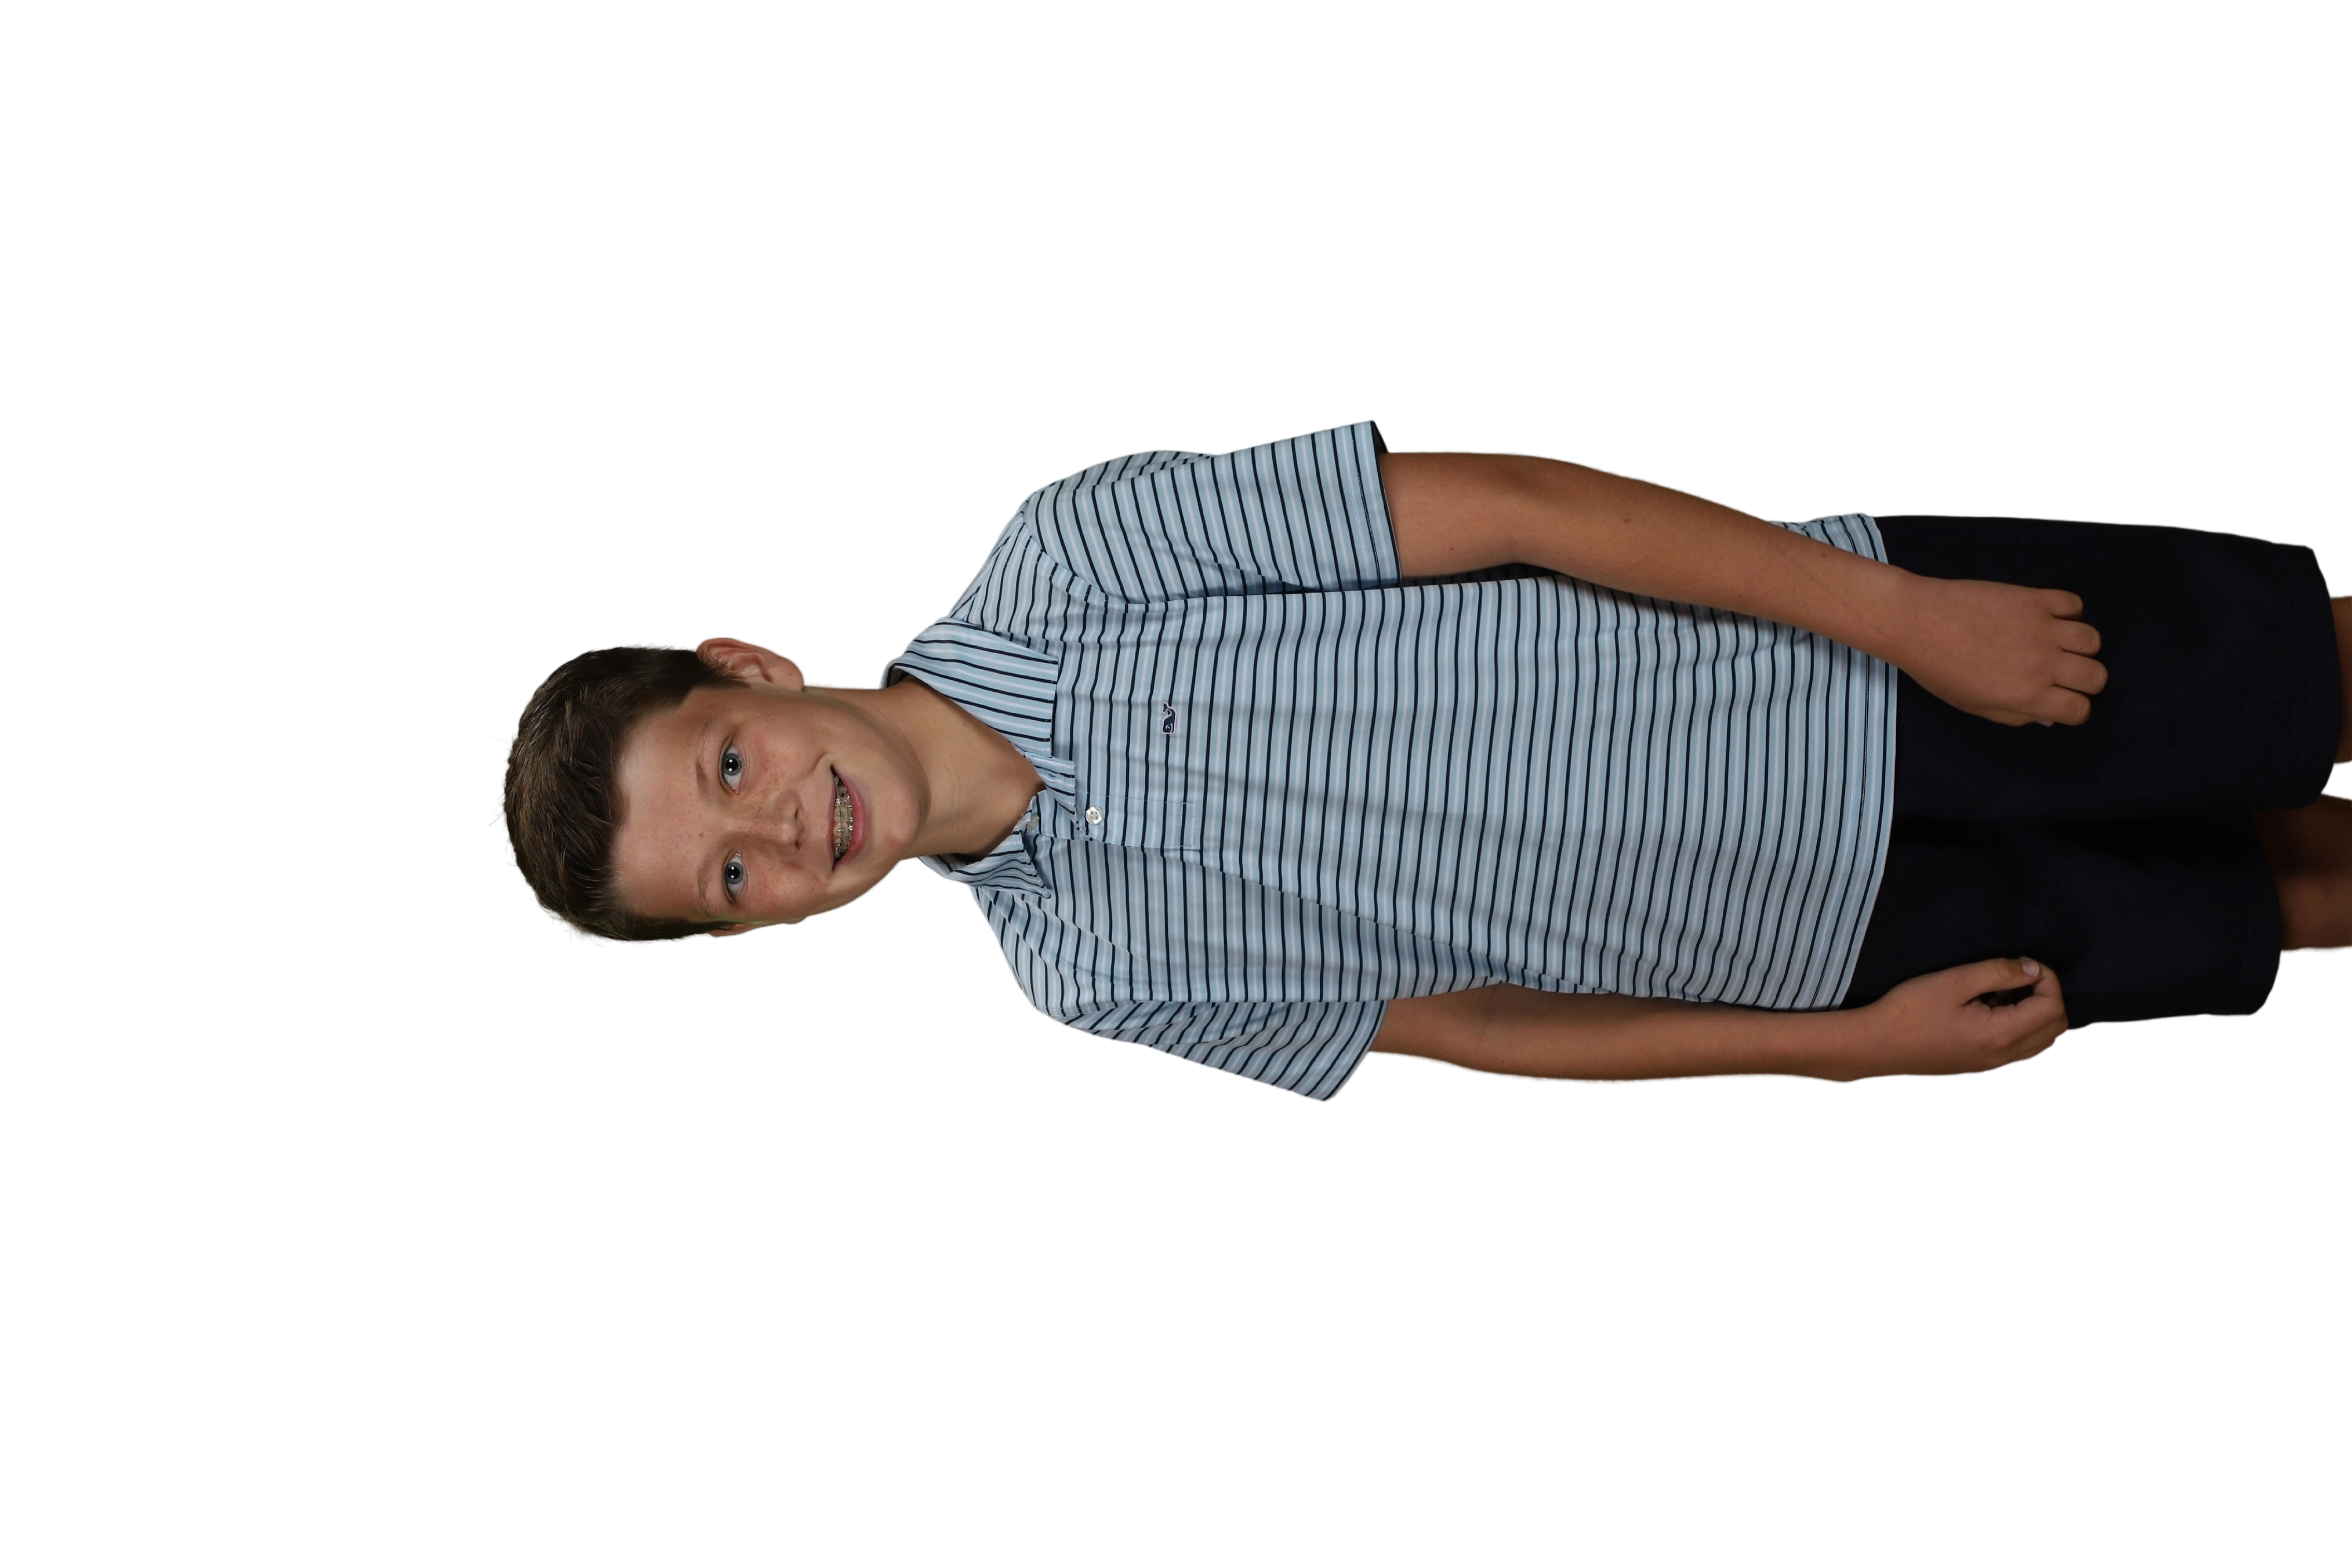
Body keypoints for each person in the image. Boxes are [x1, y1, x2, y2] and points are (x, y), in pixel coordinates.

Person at [485, 419, 2352, 1100]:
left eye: (727, 767)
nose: (780, 829)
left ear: (749, 667)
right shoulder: (1088, 974)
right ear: (763, 927)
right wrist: (1851, 1047)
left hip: (1858, 665)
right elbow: (1479, 1025)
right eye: (733, 878)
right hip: (1827, 935)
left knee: (2302, 682)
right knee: (2287, 906)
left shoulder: (1076, 555)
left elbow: (1518, 507)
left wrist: (1901, 614)